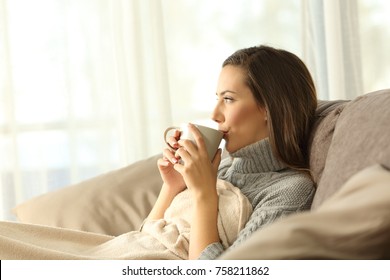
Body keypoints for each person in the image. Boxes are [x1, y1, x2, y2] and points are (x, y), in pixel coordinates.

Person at [148, 45, 317, 259]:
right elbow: (145, 240)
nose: (215, 114)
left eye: (228, 99)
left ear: (269, 107)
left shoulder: (291, 193)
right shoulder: (224, 167)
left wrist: (204, 195)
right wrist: (173, 186)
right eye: (217, 98)